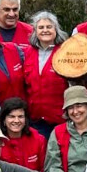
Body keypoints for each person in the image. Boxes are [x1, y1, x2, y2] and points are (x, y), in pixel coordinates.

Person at [23, 11, 71, 139]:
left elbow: (80, 69)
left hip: (60, 119)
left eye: (49, 27)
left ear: (56, 29)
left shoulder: (66, 51)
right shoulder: (27, 53)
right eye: (41, 27)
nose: (45, 30)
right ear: (35, 31)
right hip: (35, 119)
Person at [0, 97, 46, 172]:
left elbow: (44, 169)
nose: (16, 121)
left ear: (26, 120)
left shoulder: (38, 139)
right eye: (12, 117)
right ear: (4, 120)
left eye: (20, 117)